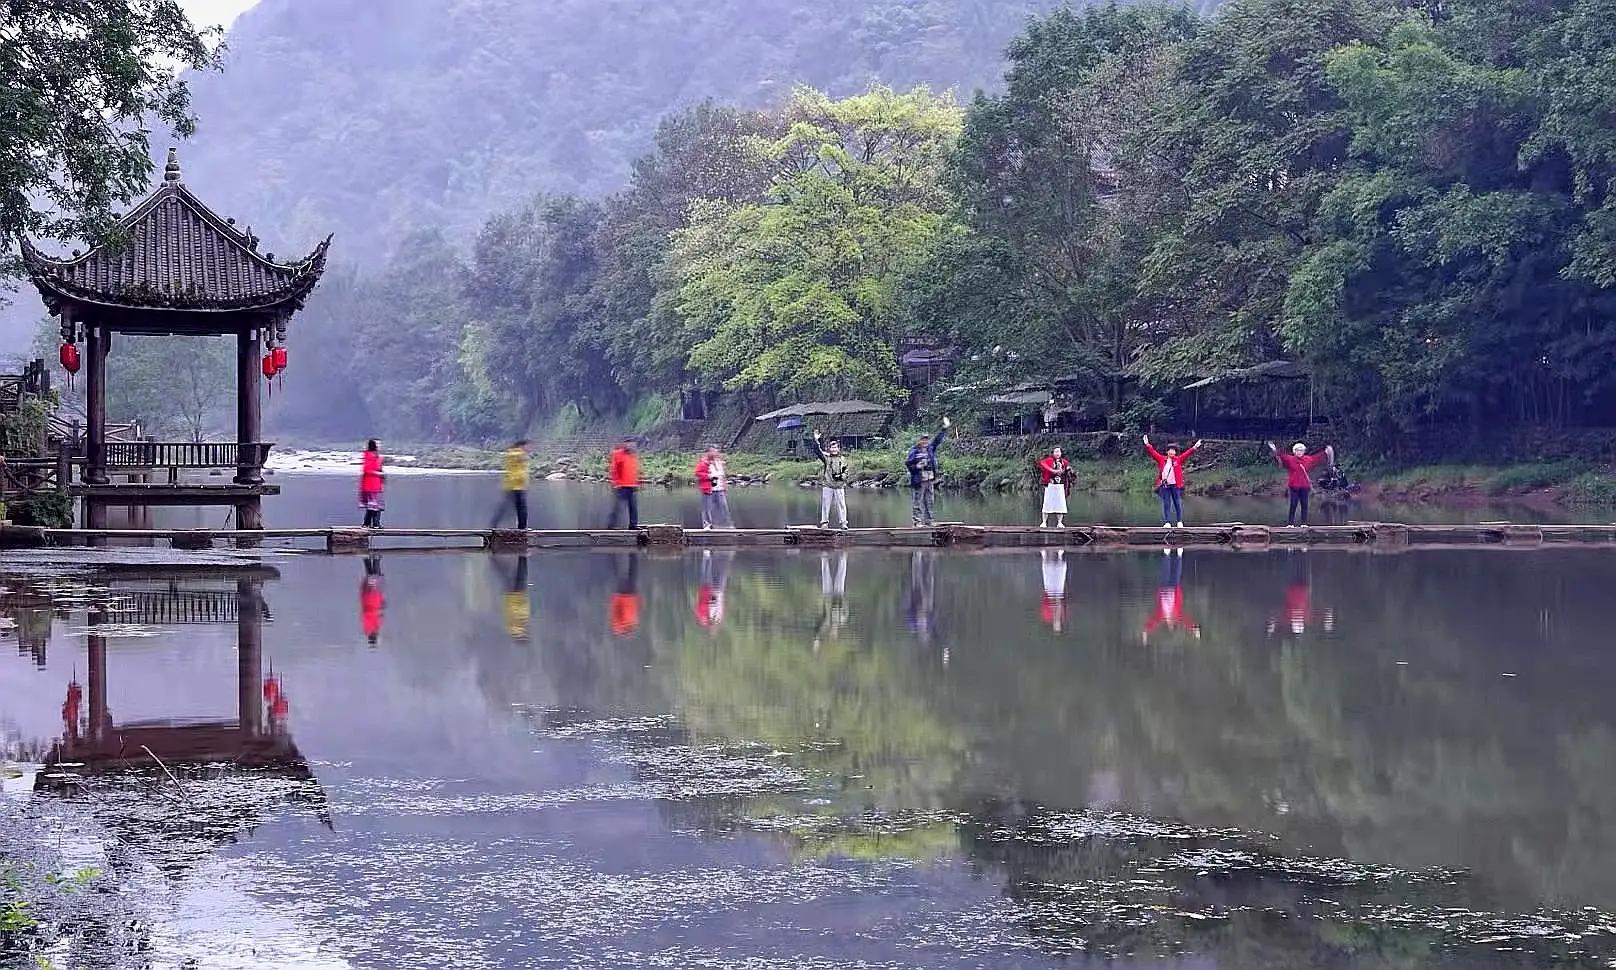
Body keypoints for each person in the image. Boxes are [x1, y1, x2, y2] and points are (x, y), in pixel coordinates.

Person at [1267, 441, 1335, 526]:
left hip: (1304, 486)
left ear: (1304, 451)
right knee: (1293, 504)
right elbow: (1281, 456)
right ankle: (1290, 524)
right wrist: (1275, 450)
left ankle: (1304, 523)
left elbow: (1317, 457)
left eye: (1301, 450)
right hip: (1293, 486)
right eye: (1297, 450)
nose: (1299, 452)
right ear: (1294, 451)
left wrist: (1326, 452)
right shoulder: (1290, 459)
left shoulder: (1308, 459)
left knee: (1304, 505)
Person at [1143, 435, 1202, 527]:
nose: (1172, 452)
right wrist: (1147, 444)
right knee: (1166, 504)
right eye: (1170, 450)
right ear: (1167, 452)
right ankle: (1167, 522)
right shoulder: (1162, 459)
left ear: (1175, 452)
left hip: (1175, 485)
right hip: (1165, 486)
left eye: (1173, 450)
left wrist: (1195, 447)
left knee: (1177, 503)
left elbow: (1187, 454)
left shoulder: (1178, 460)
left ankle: (1179, 521)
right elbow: (1153, 453)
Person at [1142, 548, 1199, 642]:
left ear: (1167, 623)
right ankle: (1179, 555)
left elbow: (1153, 621)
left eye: (1169, 624)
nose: (1170, 622)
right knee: (1177, 572)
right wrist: (1194, 629)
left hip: (1164, 589)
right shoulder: (1177, 615)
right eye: (1172, 624)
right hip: (1174, 590)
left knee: (1165, 571)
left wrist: (1146, 631)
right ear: (1174, 622)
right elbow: (1185, 620)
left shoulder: (1161, 615)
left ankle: (1167, 554)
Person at [905, 417, 951, 527]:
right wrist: (917, 466)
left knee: (929, 501)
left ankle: (929, 520)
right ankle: (917, 522)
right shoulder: (914, 451)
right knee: (918, 501)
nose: (925, 441)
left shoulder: (930, 449)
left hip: (930, 479)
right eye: (923, 439)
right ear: (919, 441)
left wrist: (944, 429)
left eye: (926, 439)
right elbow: (908, 463)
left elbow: (937, 440)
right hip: (919, 480)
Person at [807, 429, 850, 530]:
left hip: (839, 486)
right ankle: (824, 523)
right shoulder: (826, 458)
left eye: (835, 447)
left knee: (842, 505)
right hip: (828, 485)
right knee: (826, 504)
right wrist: (816, 440)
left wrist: (841, 476)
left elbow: (846, 472)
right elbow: (817, 451)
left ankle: (843, 523)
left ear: (838, 449)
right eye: (832, 447)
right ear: (830, 449)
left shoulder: (843, 459)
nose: (834, 449)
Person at [492, 439, 530, 530]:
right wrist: (522, 479)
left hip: (511, 485)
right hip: (517, 485)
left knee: (507, 507)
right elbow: (519, 471)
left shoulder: (511, 454)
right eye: (528, 446)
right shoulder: (519, 455)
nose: (529, 448)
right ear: (522, 445)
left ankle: (494, 524)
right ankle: (522, 528)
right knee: (521, 509)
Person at [694, 445, 734, 529]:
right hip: (708, 489)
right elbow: (698, 473)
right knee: (707, 508)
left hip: (719, 488)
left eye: (715, 451)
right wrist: (709, 476)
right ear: (708, 453)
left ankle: (725, 524)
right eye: (712, 451)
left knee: (723, 506)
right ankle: (707, 525)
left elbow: (722, 475)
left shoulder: (719, 463)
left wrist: (724, 484)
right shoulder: (703, 463)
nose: (715, 453)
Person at [606, 437, 640, 529]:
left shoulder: (633, 455)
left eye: (633, 443)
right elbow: (614, 470)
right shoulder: (618, 454)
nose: (632, 445)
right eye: (629, 443)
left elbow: (634, 471)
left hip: (632, 485)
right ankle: (611, 526)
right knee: (618, 507)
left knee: (633, 508)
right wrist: (617, 483)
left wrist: (637, 483)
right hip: (621, 486)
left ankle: (633, 526)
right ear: (625, 444)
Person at [1037, 447, 1073, 528]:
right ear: (1053, 453)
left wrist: (1067, 469)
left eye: (1059, 451)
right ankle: (1044, 522)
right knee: (1047, 503)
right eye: (1056, 451)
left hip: (1060, 485)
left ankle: (1060, 522)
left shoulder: (1064, 462)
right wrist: (1052, 470)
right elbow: (1042, 464)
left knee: (1060, 503)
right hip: (1050, 484)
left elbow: (1067, 470)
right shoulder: (1048, 460)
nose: (1057, 453)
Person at [609, 554, 641, 636]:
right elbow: (635, 609)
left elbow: (615, 609)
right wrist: (637, 597)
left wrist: (616, 596)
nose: (632, 632)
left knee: (620, 574)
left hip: (623, 594)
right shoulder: (632, 623)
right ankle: (633, 554)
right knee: (633, 573)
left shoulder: (619, 624)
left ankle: (612, 555)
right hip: (631, 594)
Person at [358, 439, 385, 529]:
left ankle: (368, 524)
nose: (380, 446)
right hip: (370, 484)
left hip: (375, 484)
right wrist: (378, 473)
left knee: (373, 505)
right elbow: (366, 470)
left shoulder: (377, 457)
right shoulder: (369, 456)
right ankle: (375, 524)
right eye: (378, 444)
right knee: (375, 505)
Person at [502, 555, 530, 641]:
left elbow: (517, 610)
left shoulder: (517, 627)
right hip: (514, 595)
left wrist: (522, 599)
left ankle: (522, 555)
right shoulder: (514, 626)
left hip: (517, 595)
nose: (526, 633)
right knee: (518, 575)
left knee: (522, 574)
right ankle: (521, 556)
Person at [1039, 549, 1068, 633]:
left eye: (1056, 625)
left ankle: (1044, 557)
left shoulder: (1047, 616)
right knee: (1060, 573)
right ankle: (1060, 556)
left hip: (1050, 593)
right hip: (1058, 593)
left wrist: (1051, 599)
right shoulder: (1063, 616)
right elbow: (1064, 604)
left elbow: (1044, 604)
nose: (1057, 623)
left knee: (1048, 573)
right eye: (1058, 625)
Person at [360, 555, 384, 646]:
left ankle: (374, 560)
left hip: (371, 599)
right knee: (373, 578)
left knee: (374, 578)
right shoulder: (373, 628)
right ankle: (369, 560)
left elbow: (367, 613)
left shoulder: (370, 628)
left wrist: (378, 612)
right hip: (373, 599)